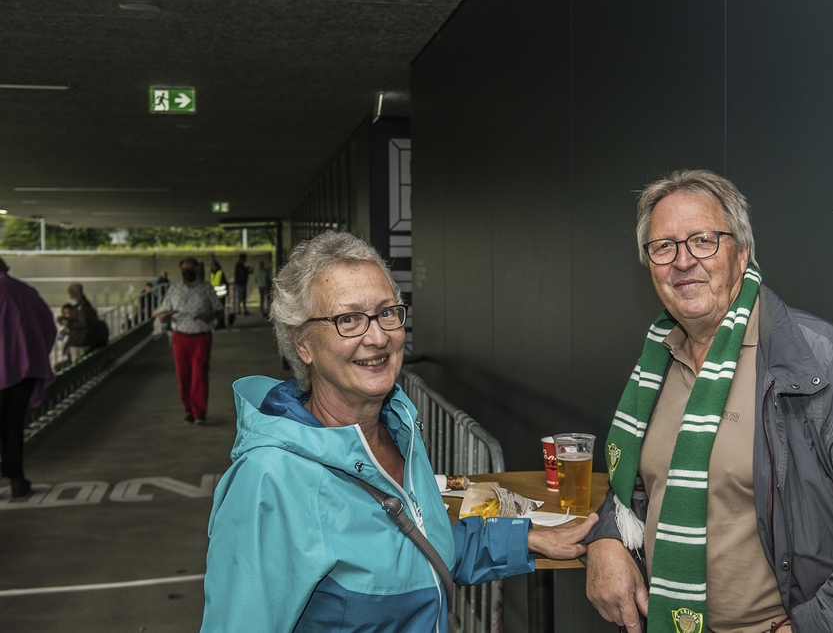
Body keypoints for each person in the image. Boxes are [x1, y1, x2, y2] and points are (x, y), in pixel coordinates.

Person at [584, 170, 833, 633]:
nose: (683, 261)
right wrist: (605, 540)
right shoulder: (654, 367)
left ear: (742, 254)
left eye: (703, 240)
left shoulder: (826, 366)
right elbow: (635, 488)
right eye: (664, 247)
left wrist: (812, 627)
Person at [200, 230, 598, 633]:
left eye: (387, 313)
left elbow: (423, 548)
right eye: (348, 319)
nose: (377, 337)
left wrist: (527, 538)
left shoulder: (397, 428)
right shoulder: (269, 480)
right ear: (301, 343)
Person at [0, 257, 57, 498]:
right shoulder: (26, 292)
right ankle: (17, 480)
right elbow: (49, 327)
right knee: (13, 427)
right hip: (24, 372)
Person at [155, 258, 223, 424]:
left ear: (197, 270)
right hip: (180, 337)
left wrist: (209, 317)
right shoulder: (174, 289)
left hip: (201, 336)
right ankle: (189, 410)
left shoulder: (206, 288)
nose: (188, 272)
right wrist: (166, 316)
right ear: (181, 271)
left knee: (199, 374)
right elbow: (161, 314)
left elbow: (219, 310)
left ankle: (199, 412)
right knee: (183, 375)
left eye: (191, 269)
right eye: (185, 269)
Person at [64, 283, 100, 362]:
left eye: (71, 293)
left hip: (80, 341)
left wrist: (69, 324)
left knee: (78, 363)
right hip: (81, 340)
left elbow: (83, 323)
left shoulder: (82, 306)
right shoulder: (82, 305)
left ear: (78, 293)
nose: (70, 296)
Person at [209, 261, 228, 329]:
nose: (213, 267)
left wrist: (227, 292)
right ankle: (220, 323)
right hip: (215, 295)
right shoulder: (212, 274)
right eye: (212, 266)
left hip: (221, 294)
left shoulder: (220, 273)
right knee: (216, 310)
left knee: (220, 310)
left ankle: (221, 324)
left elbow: (225, 282)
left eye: (214, 266)